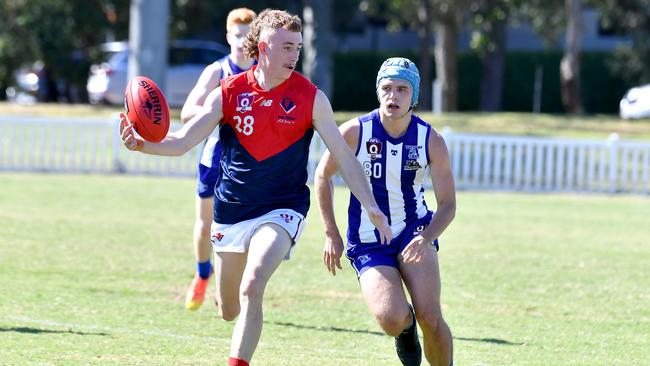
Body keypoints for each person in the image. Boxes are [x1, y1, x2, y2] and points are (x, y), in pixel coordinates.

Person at [119, 9, 391, 366]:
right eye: (286, 47)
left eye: (298, 47)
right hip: (231, 210)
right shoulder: (229, 92)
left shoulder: (311, 98)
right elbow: (183, 141)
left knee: (253, 285)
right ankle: (221, 294)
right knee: (229, 310)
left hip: (283, 208)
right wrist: (143, 145)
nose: (294, 55)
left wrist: (371, 206)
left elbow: (343, 154)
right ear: (263, 47)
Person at [314, 57, 456, 366]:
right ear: (378, 91)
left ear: (414, 96)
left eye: (402, 89)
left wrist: (427, 236)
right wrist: (331, 232)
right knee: (392, 318)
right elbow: (323, 176)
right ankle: (405, 333)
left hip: (414, 231)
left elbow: (448, 205)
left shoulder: (431, 140)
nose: (393, 96)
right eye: (387, 88)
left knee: (430, 317)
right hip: (367, 239)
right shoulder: (355, 131)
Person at [181, 7, 257, 312]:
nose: (242, 41)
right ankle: (202, 274)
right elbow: (187, 112)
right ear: (228, 36)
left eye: (248, 36)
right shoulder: (217, 72)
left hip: (249, 165)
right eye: (237, 35)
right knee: (205, 225)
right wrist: (219, 114)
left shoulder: (264, 74)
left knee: (245, 229)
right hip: (214, 160)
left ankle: (230, 287)